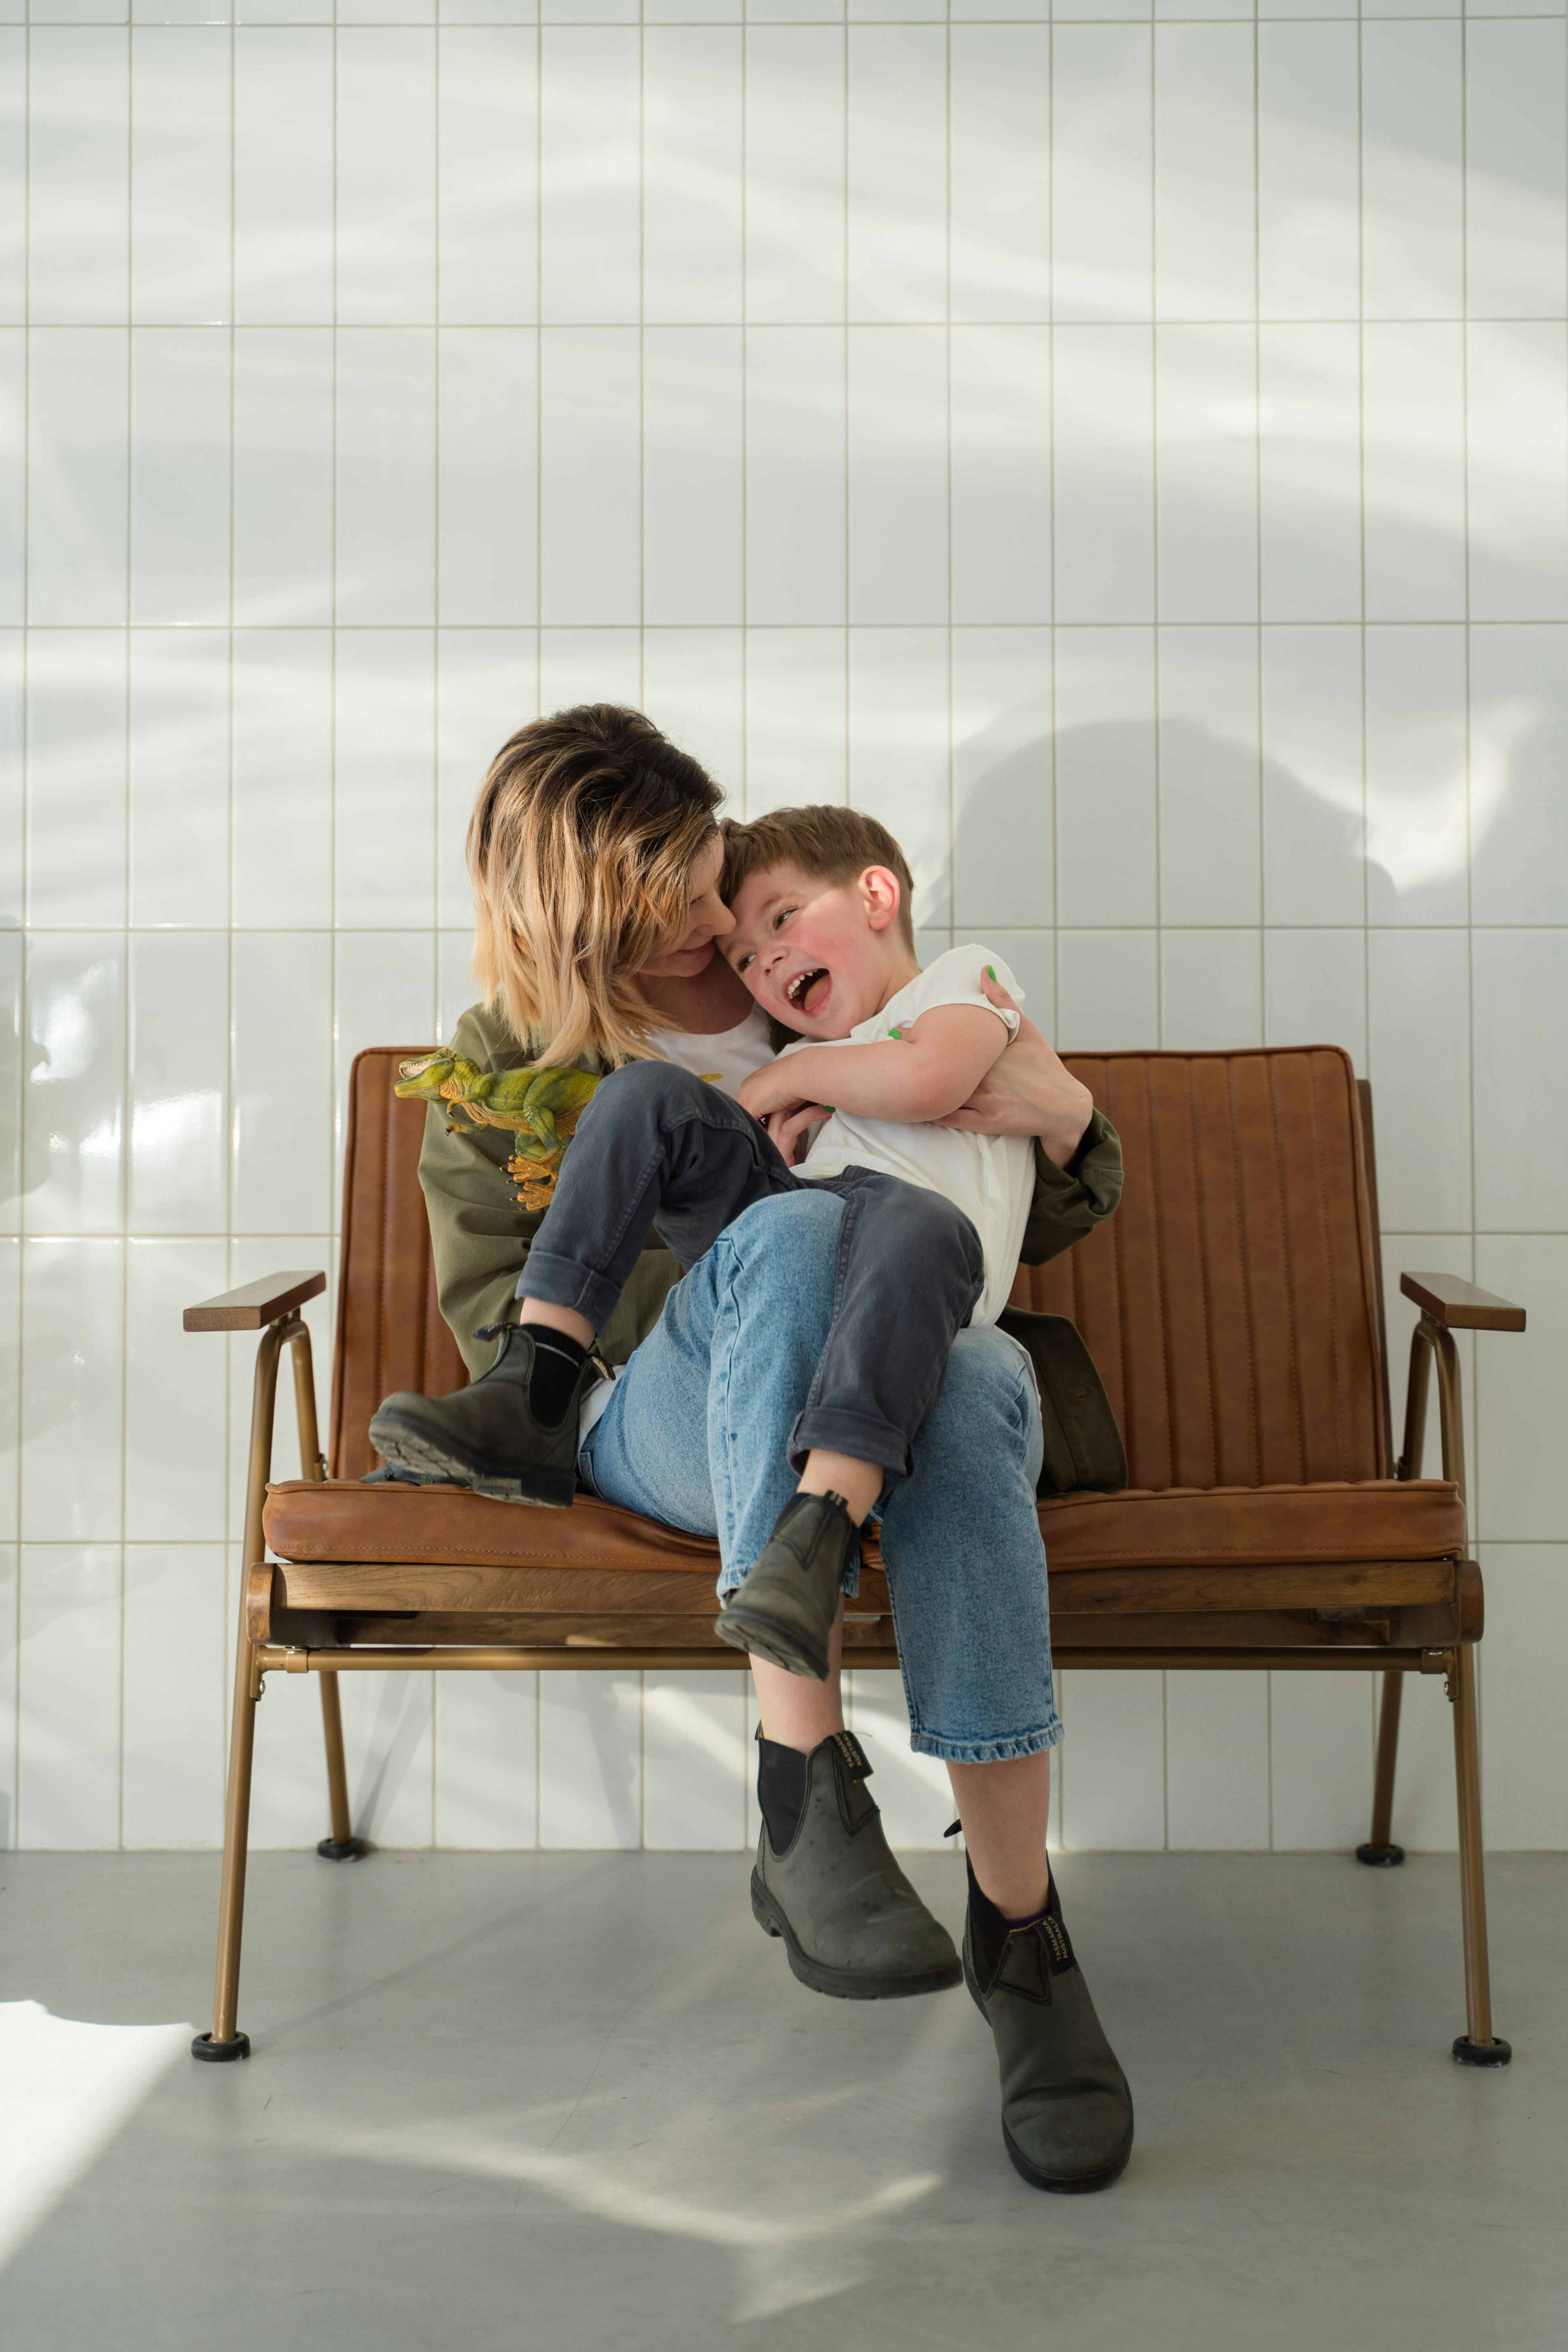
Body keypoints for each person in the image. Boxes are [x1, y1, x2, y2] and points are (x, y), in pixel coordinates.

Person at [379, 704, 1136, 2194]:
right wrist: (744, 1250)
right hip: (654, 1413)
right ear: (576, 921)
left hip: (908, 1371)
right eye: (659, 910)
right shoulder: (503, 1062)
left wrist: (1071, 1116)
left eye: (709, 877)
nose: (709, 927)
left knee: (976, 1382)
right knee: (795, 1247)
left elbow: (980, 1203)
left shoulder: (820, 978)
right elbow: (496, 1322)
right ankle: (805, 1770)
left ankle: (1017, 1931)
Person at [373, 803, 1037, 1688]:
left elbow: (936, 1085)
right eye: (740, 949)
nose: (745, 945)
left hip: (909, 1270)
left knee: (905, 1232)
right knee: (650, 1096)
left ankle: (821, 1529)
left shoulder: (933, 992)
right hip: (734, 1317)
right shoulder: (508, 1050)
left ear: (876, 894)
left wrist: (1068, 1122)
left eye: (772, 922)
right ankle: (533, 1386)